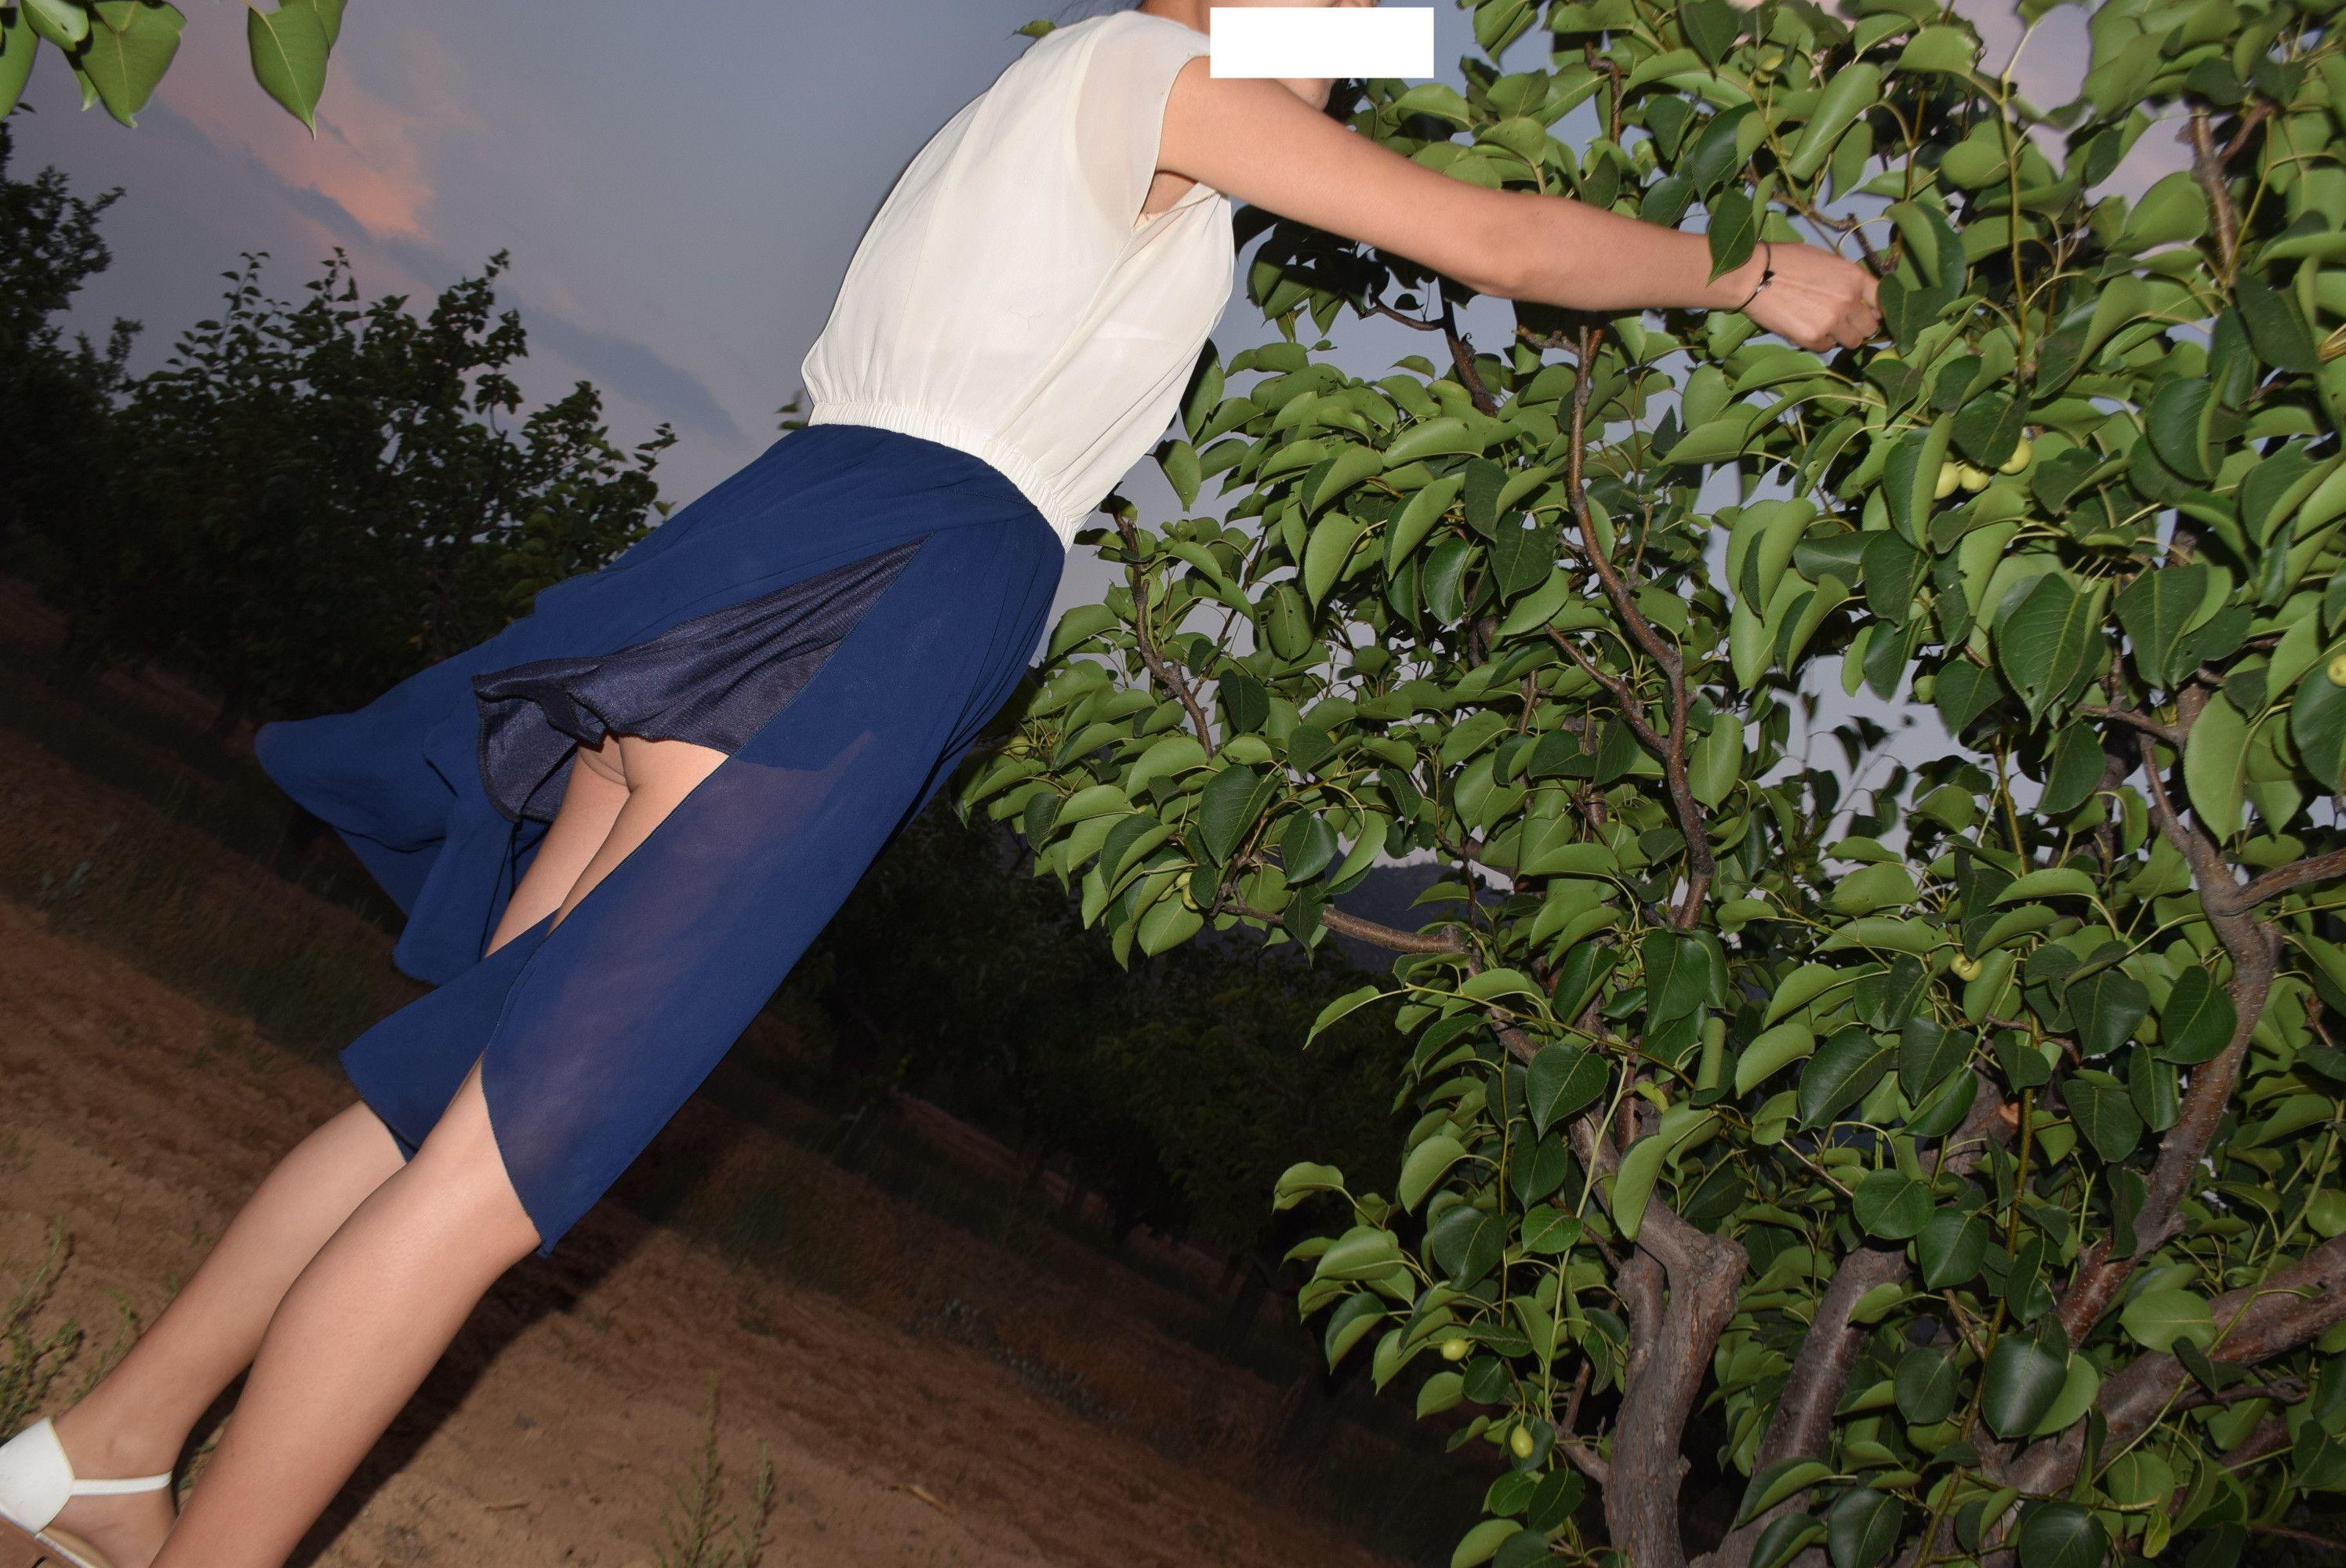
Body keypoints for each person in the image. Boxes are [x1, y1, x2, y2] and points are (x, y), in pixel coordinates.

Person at [0, 2, 1879, 1564]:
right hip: (884, 590)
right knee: (501, 1171)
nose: (1362, 38)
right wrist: (1754, 272)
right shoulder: (1161, 77)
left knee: (446, 1093)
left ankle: (107, 1448)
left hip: (788, 542)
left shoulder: (1057, 92)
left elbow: (1351, 95)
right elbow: (1504, 243)